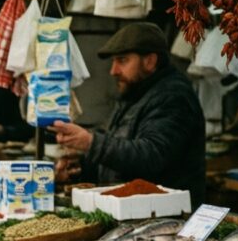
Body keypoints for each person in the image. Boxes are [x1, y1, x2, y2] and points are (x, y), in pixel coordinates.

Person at [51, 22, 206, 207]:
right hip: (134, 212)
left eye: (122, 60)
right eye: (113, 62)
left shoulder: (174, 96)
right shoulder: (134, 94)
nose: (113, 71)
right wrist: (77, 168)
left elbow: (151, 155)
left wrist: (90, 143)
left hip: (167, 217)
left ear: (150, 61)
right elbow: (118, 152)